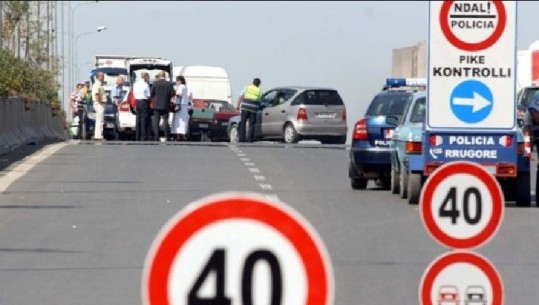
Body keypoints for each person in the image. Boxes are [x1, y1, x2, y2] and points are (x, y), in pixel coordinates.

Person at [150, 70, 175, 142]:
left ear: (159, 76)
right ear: (165, 76)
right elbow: (172, 94)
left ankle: (156, 137)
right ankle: (167, 137)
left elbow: (151, 94)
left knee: (156, 122)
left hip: (156, 105)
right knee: (165, 121)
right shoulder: (169, 84)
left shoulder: (155, 83)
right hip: (165, 105)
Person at [237, 78, 262, 142]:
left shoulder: (247, 87)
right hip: (253, 109)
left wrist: (237, 105)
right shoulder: (259, 91)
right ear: (259, 84)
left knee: (243, 122)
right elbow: (260, 100)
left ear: (252, 82)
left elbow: (240, 96)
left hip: (245, 107)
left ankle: (242, 138)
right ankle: (250, 139)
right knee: (252, 124)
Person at [171, 76, 193, 141]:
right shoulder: (186, 87)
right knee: (183, 122)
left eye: (177, 81)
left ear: (180, 81)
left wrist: (174, 93)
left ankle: (178, 136)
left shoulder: (180, 87)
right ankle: (183, 135)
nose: (176, 82)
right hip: (184, 106)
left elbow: (179, 94)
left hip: (179, 106)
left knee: (178, 121)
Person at [134, 72, 151, 141]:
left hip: (137, 101)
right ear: (145, 77)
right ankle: (143, 136)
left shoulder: (136, 84)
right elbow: (148, 95)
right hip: (144, 101)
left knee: (138, 119)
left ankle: (137, 136)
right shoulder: (145, 85)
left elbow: (134, 93)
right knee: (144, 119)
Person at [92, 72, 106, 142]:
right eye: (103, 76)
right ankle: (99, 136)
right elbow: (96, 94)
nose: (104, 78)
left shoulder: (99, 84)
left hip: (99, 103)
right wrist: (100, 102)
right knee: (100, 120)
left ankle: (97, 135)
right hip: (98, 103)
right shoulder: (96, 84)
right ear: (99, 77)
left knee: (99, 120)